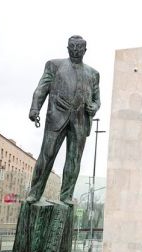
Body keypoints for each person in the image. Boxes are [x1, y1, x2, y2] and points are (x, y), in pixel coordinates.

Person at [26, 35, 100, 205]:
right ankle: (34, 193)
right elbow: (41, 89)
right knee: (46, 155)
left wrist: (94, 107)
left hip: (80, 121)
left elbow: (97, 100)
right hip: (57, 116)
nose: (75, 50)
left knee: (74, 160)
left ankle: (66, 195)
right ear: (67, 48)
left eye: (79, 48)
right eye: (72, 47)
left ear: (85, 50)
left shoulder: (93, 74)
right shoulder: (54, 65)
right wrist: (34, 108)